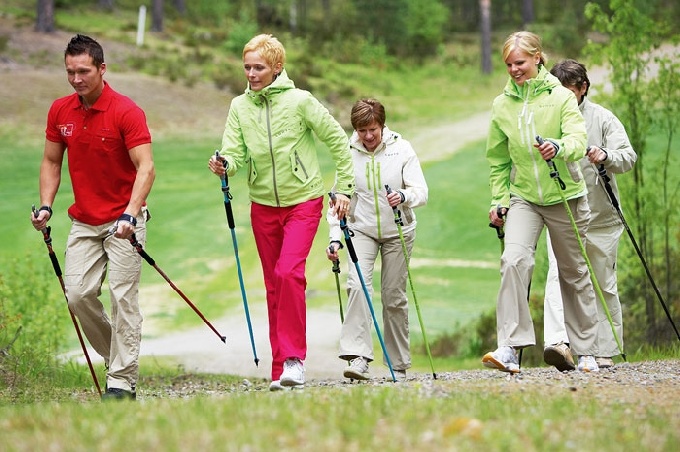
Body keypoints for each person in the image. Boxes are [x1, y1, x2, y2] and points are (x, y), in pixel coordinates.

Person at [208, 34, 354, 391]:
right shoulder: (239, 107)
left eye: (258, 67)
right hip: (262, 207)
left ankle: (294, 360)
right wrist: (225, 164)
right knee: (274, 283)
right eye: (247, 67)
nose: (252, 74)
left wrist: (345, 187)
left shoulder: (300, 101)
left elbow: (337, 139)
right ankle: (279, 370)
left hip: (303, 202)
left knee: (289, 272)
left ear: (277, 67)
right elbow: (235, 152)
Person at [30, 34, 155, 400]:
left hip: (124, 222)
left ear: (102, 69)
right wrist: (46, 205)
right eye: (70, 71)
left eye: (83, 71)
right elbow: (52, 161)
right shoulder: (60, 111)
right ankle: (117, 357)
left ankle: (120, 379)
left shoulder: (126, 111)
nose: (76, 79)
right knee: (78, 296)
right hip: (84, 221)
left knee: (122, 296)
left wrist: (131, 213)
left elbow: (146, 167)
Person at [482, 31, 600, 373]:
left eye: (519, 62)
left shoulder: (561, 97)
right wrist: (499, 198)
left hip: (564, 193)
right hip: (525, 197)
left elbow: (577, 139)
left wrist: (558, 147)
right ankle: (510, 347)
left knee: (573, 272)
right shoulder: (501, 105)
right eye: (508, 65)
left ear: (537, 57)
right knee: (514, 261)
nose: (514, 69)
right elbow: (498, 159)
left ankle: (587, 351)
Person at [542, 59, 637, 371]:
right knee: (559, 278)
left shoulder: (603, 118)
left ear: (582, 89)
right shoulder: (548, 117)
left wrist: (605, 155)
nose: (562, 97)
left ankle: (604, 350)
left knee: (602, 283)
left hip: (602, 219)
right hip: (563, 216)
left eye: (568, 91)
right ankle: (560, 344)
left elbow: (628, 158)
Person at [326, 98, 428, 381]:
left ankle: (398, 363)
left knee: (393, 297)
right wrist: (335, 238)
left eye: (372, 129)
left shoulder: (402, 149)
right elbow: (339, 199)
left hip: (399, 231)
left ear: (382, 126)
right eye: (361, 131)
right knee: (357, 286)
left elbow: (421, 191)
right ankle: (358, 358)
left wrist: (404, 196)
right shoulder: (348, 153)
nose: (368, 136)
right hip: (361, 229)